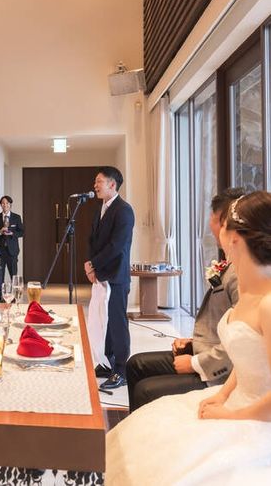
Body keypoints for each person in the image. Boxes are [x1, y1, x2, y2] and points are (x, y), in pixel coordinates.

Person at [105, 191, 271, 485]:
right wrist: (222, 396)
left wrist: (230, 415)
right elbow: (248, 361)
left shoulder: (267, 303)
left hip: (255, 420)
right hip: (233, 397)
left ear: (233, 237)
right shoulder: (248, 290)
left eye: (221, 223)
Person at [126, 188, 244, 411]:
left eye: (212, 217)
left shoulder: (243, 274)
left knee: (145, 389)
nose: (209, 224)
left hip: (220, 371)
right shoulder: (231, 265)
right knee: (136, 365)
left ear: (224, 222)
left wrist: (195, 364)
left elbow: (241, 342)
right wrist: (192, 343)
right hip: (204, 350)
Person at [85, 166, 135, 390]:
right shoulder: (102, 208)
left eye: (99, 181)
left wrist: (94, 264)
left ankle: (121, 370)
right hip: (101, 273)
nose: (95, 185)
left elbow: (117, 246)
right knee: (104, 321)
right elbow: (93, 240)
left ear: (112, 184)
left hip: (116, 275)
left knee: (117, 323)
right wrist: (91, 264)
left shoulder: (124, 210)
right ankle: (107, 362)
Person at [0, 195, 24, 296]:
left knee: (13, 274)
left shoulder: (16, 217)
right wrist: (0, 231)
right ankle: (1, 296)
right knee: (0, 275)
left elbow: (22, 232)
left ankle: (15, 296)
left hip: (12, 251)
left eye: (7, 203)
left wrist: (12, 233)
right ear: (1, 205)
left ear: (10, 204)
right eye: (3, 203)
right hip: (0, 251)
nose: (5, 205)